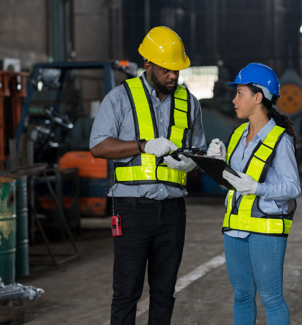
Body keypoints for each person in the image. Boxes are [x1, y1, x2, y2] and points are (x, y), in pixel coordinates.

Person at [89, 26, 206, 325]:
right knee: (127, 292)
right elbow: (98, 146)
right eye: (167, 70)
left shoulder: (189, 102)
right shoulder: (120, 98)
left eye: (177, 71)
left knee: (164, 293)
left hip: (173, 210)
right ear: (148, 65)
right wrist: (142, 146)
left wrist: (192, 163)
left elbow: (198, 150)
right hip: (132, 209)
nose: (173, 77)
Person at [206, 63, 301, 325]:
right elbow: (232, 181)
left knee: (271, 299)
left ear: (258, 97)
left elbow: (293, 188)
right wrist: (216, 162)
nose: (234, 100)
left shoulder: (280, 140)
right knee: (242, 297)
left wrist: (257, 188)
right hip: (234, 228)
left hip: (266, 230)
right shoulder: (238, 134)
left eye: (240, 94)